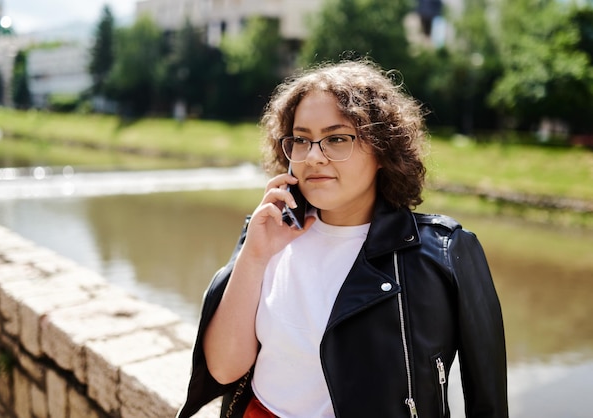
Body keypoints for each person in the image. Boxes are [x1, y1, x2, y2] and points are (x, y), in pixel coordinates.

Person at [177, 60, 508, 418]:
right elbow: (225, 369)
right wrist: (254, 255)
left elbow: (487, 402)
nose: (314, 156)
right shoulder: (266, 232)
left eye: (336, 138)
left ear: (383, 149)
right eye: (301, 140)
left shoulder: (443, 253)